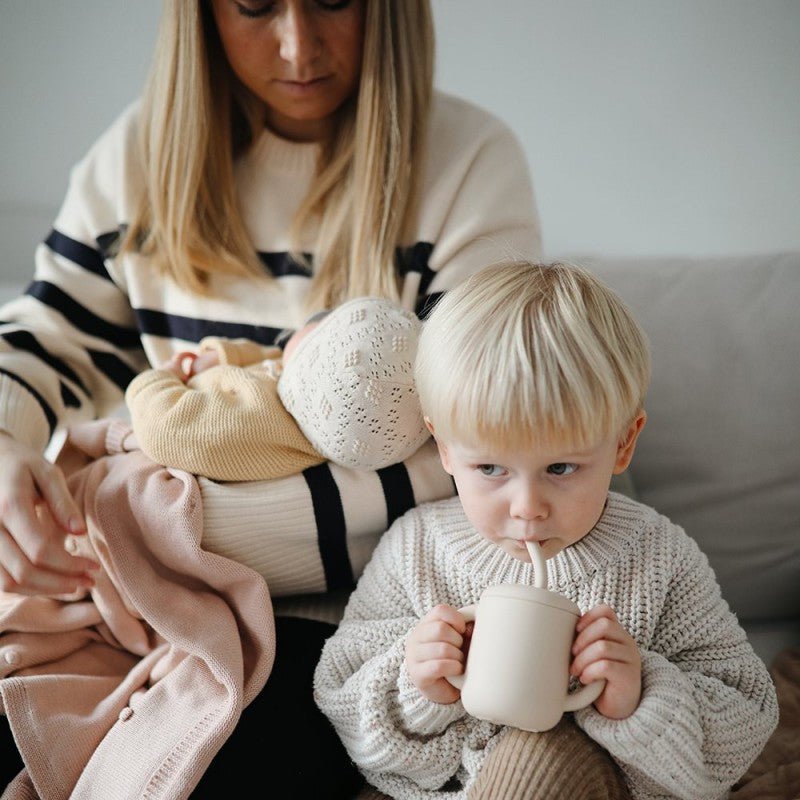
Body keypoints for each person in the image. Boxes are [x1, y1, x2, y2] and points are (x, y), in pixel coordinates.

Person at [0, 0, 540, 795]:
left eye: (333, 1)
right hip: (136, 597)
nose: (298, 46)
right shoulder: (137, 158)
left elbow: (483, 451)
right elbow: (44, 339)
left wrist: (189, 532)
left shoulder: (467, 162)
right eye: (254, 6)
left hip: (346, 620)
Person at [313, 261, 779, 800]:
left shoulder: (657, 555)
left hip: (589, 783)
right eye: (490, 469)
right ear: (444, 448)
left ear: (624, 444)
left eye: (560, 469)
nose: (528, 508)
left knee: (541, 757)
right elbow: (341, 699)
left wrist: (639, 695)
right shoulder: (417, 549)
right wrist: (418, 686)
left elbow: (745, 711)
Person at [125, 296, 429, 480]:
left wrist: (156, 380)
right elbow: (273, 358)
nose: (316, 317)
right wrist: (223, 355)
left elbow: (166, 428)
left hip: (135, 440)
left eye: (324, 323)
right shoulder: (304, 399)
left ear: (314, 359)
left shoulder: (260, 418)